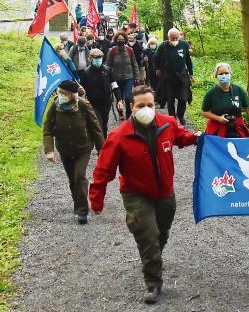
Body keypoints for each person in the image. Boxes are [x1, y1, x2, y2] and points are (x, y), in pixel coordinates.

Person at [89, 86, 200, 304]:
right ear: (132, 107)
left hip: (165, 192)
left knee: (162, 232)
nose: (146, 109)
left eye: (150, 105)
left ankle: (154, 255)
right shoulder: (119, 136)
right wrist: (96, 199)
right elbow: (103, 170)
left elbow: (181, 137)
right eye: (141, 105)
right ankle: (153, 282)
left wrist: (197, 138)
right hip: (136, 194)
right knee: (147, 236)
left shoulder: (167, 123)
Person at [43, 80, 105, 225]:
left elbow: (95, 128)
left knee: (79, 176)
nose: (61, 95)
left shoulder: (83, 105)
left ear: (71, 94)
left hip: (83, 148)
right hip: (64, 149)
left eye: (64, 93)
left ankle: (82, 211)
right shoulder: (55, 105)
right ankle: (78, 199)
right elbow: (47, 129)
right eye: (60, 92)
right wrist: (49, 150)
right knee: (72, 179)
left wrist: (102, 150)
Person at [201, 62, 249, 138]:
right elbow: (204, 112)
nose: (224, 75)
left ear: (230, 74)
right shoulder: (211, 93)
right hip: (218, 128)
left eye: (226, 73)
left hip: (237, 127)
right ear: (216, 76)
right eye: (221, 74)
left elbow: (248, 109)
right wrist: (219, 118)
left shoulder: (238, 90)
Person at [154, 28, 194, 125]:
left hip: (182, 75)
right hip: (168, 76)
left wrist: (191, 74)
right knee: (170, 99)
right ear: (169, 38)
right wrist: (157, 69)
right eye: (172, 38)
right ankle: (172, 118)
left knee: (183, 98)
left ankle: (180, 115)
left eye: (176, 38)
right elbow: (156, 57)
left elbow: (188, 60)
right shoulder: (163, 46)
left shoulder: (184, 44)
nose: (175, 40)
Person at [79, 48, 120, 137]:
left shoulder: (108, 70)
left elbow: (114, 85)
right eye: (96, 58)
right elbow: (81, 88)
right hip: (93, 103)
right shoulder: (86, 72)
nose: (98, 60)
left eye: (100, 58)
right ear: (91, 59)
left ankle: (104, 140)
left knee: (104, 124)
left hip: (106, 102)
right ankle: (100, 143)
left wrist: (119, 99)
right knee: (98, 124)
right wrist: (80, 91)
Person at [106, 31, 138, 119]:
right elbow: (107, 65)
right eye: (119, 39)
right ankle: (120, 112)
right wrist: (107, 78)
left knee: (128, 97)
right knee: (119, 97)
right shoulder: (112, 51)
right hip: (116, 78)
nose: (121, 41)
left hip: (128, 77)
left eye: (122, 39)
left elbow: (134, 63)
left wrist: (137, 76)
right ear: (116, 40)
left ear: (125, 40)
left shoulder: (129, 50)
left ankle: (128, 115)